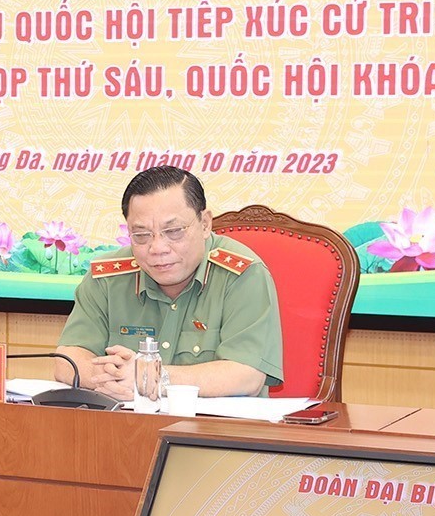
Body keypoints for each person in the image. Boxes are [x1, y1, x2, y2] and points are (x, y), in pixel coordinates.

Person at [55, 166, 283, 399]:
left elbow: (247, 376)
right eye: (141, 235)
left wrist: (152, 377)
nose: (158, 248)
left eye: (173, 231)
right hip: (127, 420)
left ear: (205, 224)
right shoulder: (107, 278)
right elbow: (66, 361)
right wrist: (114, 375)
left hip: (214, 422)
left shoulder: (243, 275)